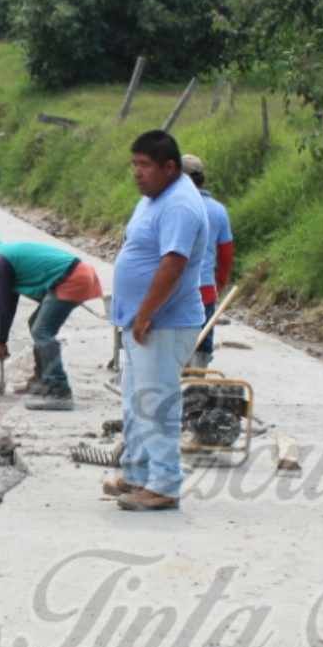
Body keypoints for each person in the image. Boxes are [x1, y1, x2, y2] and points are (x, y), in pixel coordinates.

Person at [104, 130, 208, 512]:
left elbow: (174, 263)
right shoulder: (154, 198)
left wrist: (145, 312)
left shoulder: (180, 204)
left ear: (170, 167)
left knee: (156, 403)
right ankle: (137, 473)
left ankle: (164, 485)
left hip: (164, 323)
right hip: (142, 322)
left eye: (144, 166)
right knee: (135, 402)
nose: (137, 173)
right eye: (134, 164)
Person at [0, 229, 103, 411]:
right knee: (35, 324)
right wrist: (1, 340)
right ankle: (42, 380)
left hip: (72, 279)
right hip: (75, 275)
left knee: (42, 331)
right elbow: (10, 302)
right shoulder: (4, 257)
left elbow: (4, 306)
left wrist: (1, 342)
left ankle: (59, 391)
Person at [180, 154, 235, 371]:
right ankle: (198, 383)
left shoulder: (172, 206)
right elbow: (226, 254)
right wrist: (218, 284)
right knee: (203, 341)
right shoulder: (218, 210)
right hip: (205, 288)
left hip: (174, 289)